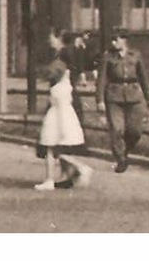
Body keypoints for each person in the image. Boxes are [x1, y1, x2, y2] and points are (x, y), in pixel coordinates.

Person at [34, 43, 93, 191]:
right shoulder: (67, 79)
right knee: (56, 150)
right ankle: (63, 176)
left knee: (51, 149)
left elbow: (48, 76)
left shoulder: (59, 79)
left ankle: (72, 171)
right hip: (63, 116)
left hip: (57, 118)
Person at [96, 27, 149, 173]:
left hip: (134, 97)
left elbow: (143, 77)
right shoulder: (108, 56)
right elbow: (101, 79)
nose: (113, 42)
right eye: (112, 39)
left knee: (135, 131)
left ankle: (125, 151)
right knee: (116, 129)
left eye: (116, 39)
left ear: (124, 40)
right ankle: (121, 159)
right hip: (114, 97)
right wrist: (100, 100)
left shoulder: (136, 55)